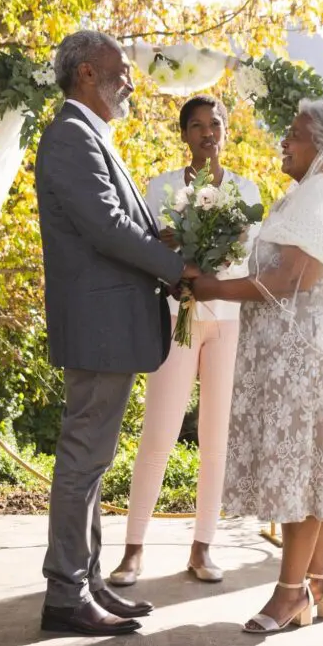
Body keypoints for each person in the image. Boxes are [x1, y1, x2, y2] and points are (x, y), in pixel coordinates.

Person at [190, 98, 323, 633]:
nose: (284, 142)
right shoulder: (308, 196)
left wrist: (210, 286)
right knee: (313, 474)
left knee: (300, 476)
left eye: (296, 134)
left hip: (309, 361)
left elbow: (289, 282)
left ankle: (290, 596)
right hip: (301, 357)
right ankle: (318, 583)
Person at [33, 29, 200, 637]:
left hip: (109, 323)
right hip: (100, 326)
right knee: (83, 458)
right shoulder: (70, 137)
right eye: (120, 69)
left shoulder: (87, 135)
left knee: (94, 460)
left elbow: (120, 222)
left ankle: (88, 580)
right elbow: (105, 226)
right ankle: (65, 594)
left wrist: (166, 242)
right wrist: (177, 268)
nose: (129, 80)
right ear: (85, 75)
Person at [108, 95, 262, 587]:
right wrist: (176, 267)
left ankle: (202, 549)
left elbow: (251, 258)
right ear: (184, 134)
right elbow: (150, 253)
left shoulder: (245, 189)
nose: (206, 132)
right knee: (159, 432)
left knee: (215, 439)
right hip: (178, 317)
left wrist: (218, 263)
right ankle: (133, 550)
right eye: (196, 125)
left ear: (226, 130)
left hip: (229, 321)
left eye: (215, 123)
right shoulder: (161, 188)